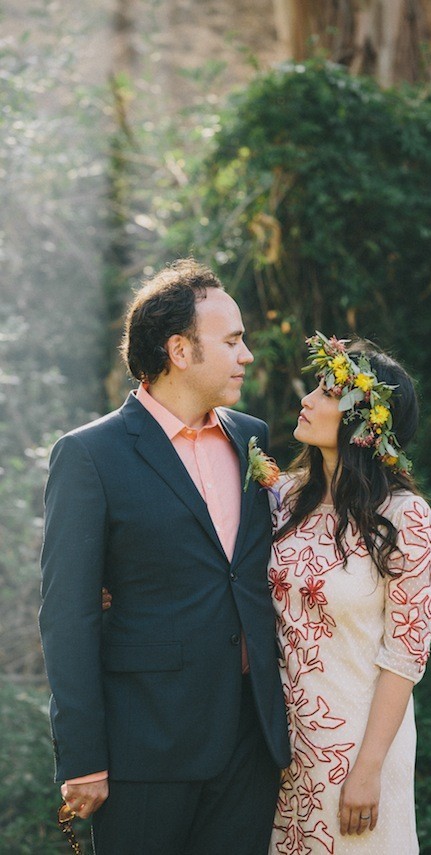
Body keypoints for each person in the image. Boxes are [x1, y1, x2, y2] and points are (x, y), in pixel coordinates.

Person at [39, 258, 290, 855]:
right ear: (180, 350)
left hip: (251, 741)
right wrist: (83, 757)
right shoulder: (90, 455)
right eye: (231, 341)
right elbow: (67, 614)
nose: (247, 355)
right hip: (144, 745)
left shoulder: (250, 436)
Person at [268, 332, 431, 854]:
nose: (306, 400)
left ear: (364, 422)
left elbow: (405, 656)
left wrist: (368, 768)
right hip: (277, 747)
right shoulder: (281, 498)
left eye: (326, 393)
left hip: (359, 749)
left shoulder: (406, 518)